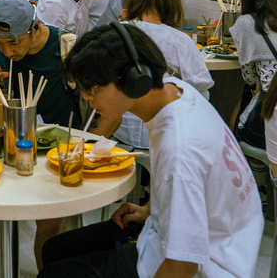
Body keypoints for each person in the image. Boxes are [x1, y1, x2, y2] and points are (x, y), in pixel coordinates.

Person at [37, 22, 264, 278]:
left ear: (133, 81)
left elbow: (182, 267)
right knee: (56, 248)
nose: (88, 98)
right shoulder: (179, 92)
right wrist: (153, 211)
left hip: (208, 266)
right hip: (209, 237)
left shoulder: (178, 149)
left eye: (92, 89)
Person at [0, 0, 82, 277]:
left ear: (35, 27)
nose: (7, 50)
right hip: (1, 149)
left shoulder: (65, 47)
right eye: (0, 42)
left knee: (50, 222)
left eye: (14, 42)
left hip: (52, 152)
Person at [112, 0, 214, 149]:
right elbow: (201, 90)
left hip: (121, 128)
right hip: (164, 133)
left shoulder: (116, 32)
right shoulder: (180, 40)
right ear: (171, 1)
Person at [231, 0, 277, 202]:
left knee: (238, 123)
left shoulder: (246, 25)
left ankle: (260, 194)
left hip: (271, 107)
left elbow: (249, 79)